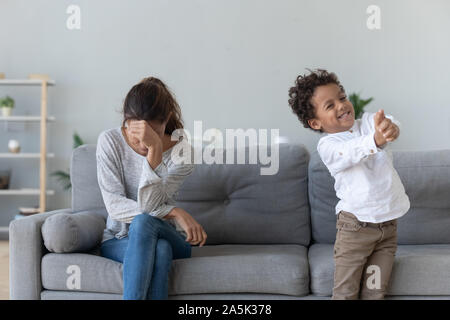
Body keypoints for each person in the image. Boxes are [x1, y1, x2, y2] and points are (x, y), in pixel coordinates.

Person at [288, 69, 410, 299]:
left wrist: (389, 128)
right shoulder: (329, 145)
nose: (341, 106)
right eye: (330, 105)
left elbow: (387, 123)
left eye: (342, 98)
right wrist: (375, 140)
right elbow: (350, 152)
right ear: (315, 123)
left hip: (387, 227)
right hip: (355, 229)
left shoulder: (367, 124)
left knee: (375, 290)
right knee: (346, 291)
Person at [96, 76, 207, 300]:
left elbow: (148, 207)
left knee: (144, 221)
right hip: (117, 238)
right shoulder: (110, 142)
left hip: (167, 233)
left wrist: (155, 151)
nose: (142, 144)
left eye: (152, 135)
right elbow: (115, 206)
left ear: (166, 120)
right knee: (160, 250)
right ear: (126, 122)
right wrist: (173, 212)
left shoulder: (183, 153)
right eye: (136, 137)